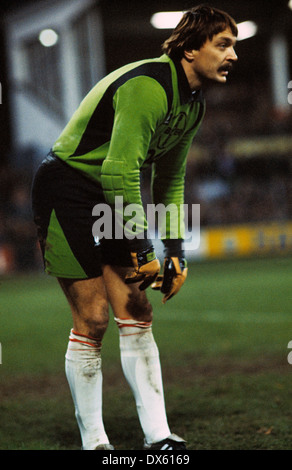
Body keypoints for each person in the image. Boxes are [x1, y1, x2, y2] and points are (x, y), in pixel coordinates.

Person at [32, 4, 238, 451]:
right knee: (93, 318)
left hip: (112, 191)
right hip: (68, 188)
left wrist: (175, 248)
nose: (233, 55)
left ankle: (159, 438)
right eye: (223, 44)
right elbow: (119, 171)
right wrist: (144, 248)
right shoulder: (148, 86)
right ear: (189, 48)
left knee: (138, 315)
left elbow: (169, 178)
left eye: (234, 46)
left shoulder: (193, 106)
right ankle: (95, 444)